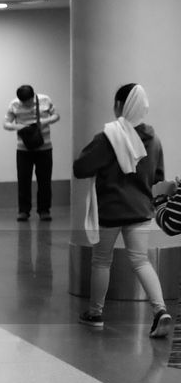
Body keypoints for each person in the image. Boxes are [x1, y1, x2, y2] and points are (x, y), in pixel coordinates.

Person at [73, 83, 171, 338]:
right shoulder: (154, 139)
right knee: (141, 261)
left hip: (110, 211)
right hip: (140, 210)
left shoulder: (108, 137)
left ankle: (95, 313)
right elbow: (158, 175)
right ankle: (160, 311)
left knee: (102, 260)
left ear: (120, 105)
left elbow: (81, 168)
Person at [4, 84, 60, 221]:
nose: (26, 104)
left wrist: (45, 121)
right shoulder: (14, 105)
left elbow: (56, 116)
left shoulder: (45, 100)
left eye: (28, 101)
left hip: (45, 147)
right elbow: (6, 123)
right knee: (23, 181)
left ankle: (44, 210)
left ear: (33, 96)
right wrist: (19, 127)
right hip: (23, 149)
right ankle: (23, 211)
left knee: (45, 181)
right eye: (23, 102)